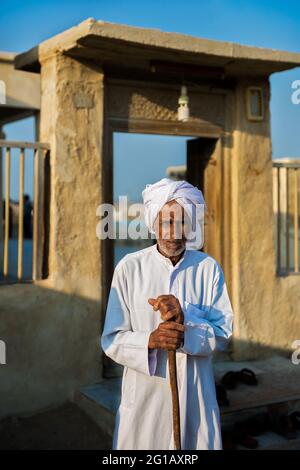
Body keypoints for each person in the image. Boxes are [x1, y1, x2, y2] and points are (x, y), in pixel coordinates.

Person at [100, 178, 233, 450]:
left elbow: (222, 334)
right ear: (153, 224)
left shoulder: (208, 268)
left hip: (196, 396)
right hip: (145, 400)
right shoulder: (129, 268)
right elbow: (112, 339)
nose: (174, 232)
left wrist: (186, 322)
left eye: (182, 222)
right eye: (167, 223)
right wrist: (150, 341)